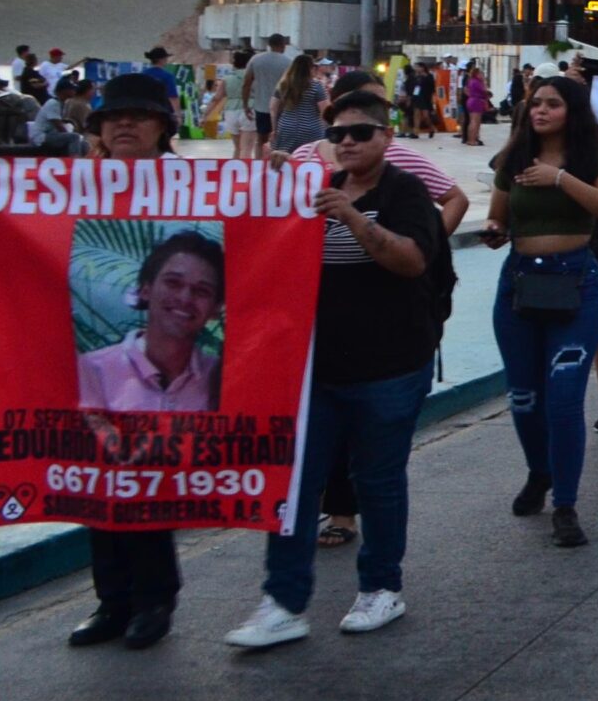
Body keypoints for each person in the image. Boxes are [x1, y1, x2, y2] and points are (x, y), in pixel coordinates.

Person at [227, 87, 448, 649]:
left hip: (390, 365)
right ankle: (282, 602)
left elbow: (411, 261)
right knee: (297, 484)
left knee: (377, 480)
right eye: (337, 134)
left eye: (360, 133)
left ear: (386, 138)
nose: (346, 142)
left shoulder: (405, 191)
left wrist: (352, 217)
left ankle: (381, 587)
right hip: (312, 368)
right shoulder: (312, 188)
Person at [65, 73, 205, 651]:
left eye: (138, 117)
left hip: (167, 362)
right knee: (98, 481)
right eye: (112, 118)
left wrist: (278, 179)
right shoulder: (69, 183)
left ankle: (154, 601)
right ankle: (111, 602)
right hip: (89, 357)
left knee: (148, 482)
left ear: (162, 129)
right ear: (97, 128)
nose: (123, 125)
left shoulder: (197, 184)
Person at [481, 75, 598, 541]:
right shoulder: (515, 160)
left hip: (576, 284)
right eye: (535, 103)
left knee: (563, 400)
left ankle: (566, 503)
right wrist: (493, 229)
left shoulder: (589, 159)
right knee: (523, 396)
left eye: (552, 104)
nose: (540, 111)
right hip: (520, 285)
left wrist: (560, 179)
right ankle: (538, 472)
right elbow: (498, 216)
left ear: (572, 111)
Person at [77, 231, 225, 413]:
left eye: (201, 291)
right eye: (173, 283)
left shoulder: (222, 378)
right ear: (145, 290)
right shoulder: (92, 370)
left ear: (215, 309)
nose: (185, 298)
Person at [271, 52, 326, 152]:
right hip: (311, 129)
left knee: (285, 160)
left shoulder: (283, 85)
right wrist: (323, 127)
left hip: (286, 127)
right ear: (309, 68)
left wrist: (274, 129)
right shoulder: (316, 86)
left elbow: (273, 108)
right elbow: (325, 110)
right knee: (308, 160)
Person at [243, 33, 290, 147]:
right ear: (283, 45)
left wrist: (245, 105)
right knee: (280, 140)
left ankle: (260, 163)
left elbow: (246, 84)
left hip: (261, 106)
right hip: (282, 108)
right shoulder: (288, 62)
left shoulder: (256, 59)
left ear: (269, 44)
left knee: (261, 140)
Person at [461, 63, 491, 147]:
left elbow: (467, 90)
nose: (482, 75)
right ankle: (472, 140)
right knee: (475, 122)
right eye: (481, 73)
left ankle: (470, 139)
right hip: (476, 101)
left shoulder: (470, 81)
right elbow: (484, 91)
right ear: (477, 74)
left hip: (471, 100)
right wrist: (484, 82)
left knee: (472, 121)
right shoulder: (477, 82)